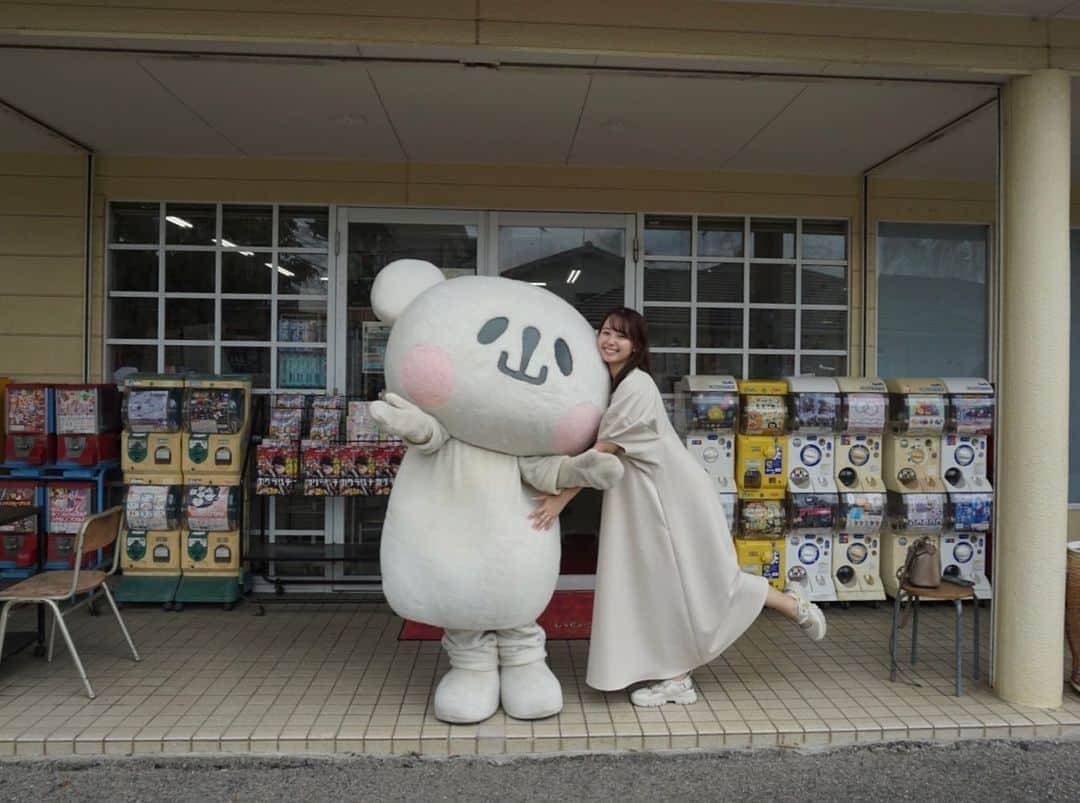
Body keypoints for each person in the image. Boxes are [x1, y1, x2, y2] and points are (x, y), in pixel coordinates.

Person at [529, 307, 826, 707]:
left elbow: (601, 453)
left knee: (701, 581)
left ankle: (786, 611)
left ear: (636, 345)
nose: (609, 340)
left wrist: (559, 499)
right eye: (604, 332)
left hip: (671, 497)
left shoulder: (637, 387)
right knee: (662, 586)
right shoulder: (614, 385)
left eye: (621, 335)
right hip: (645, 499)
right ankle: (679, 673)